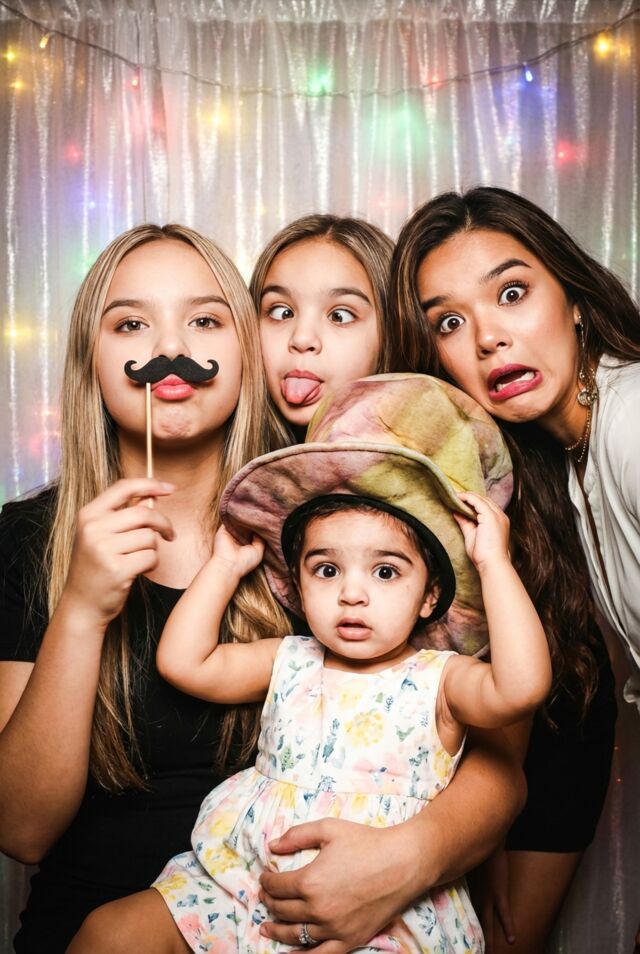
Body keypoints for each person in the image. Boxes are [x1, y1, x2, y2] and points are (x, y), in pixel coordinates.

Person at [68, 373, 551, 954]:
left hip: (383, 913)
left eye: (385, 571)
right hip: (248, 888)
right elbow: (184, 663)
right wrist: (223, 567)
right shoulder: (290, 659)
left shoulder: (441, 679)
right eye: (327, 569)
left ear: (430, 595)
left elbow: (522, 689)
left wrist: (494, 564)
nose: (352, 594)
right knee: (108, 932)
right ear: (298, 585)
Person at [0, 223, 292, 952]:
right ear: (91, 360)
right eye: (131, 324)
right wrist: (81, 610)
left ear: (246, 351)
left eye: (205, 320)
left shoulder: (319, 531)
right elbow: (21, 830)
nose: (172, 348)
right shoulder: (27, 539)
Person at [389, 186, 622, 952]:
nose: (487, 337)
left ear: (575, 299)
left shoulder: (629, 424)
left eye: (512, 293)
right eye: (450, 322)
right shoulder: (558, 462)